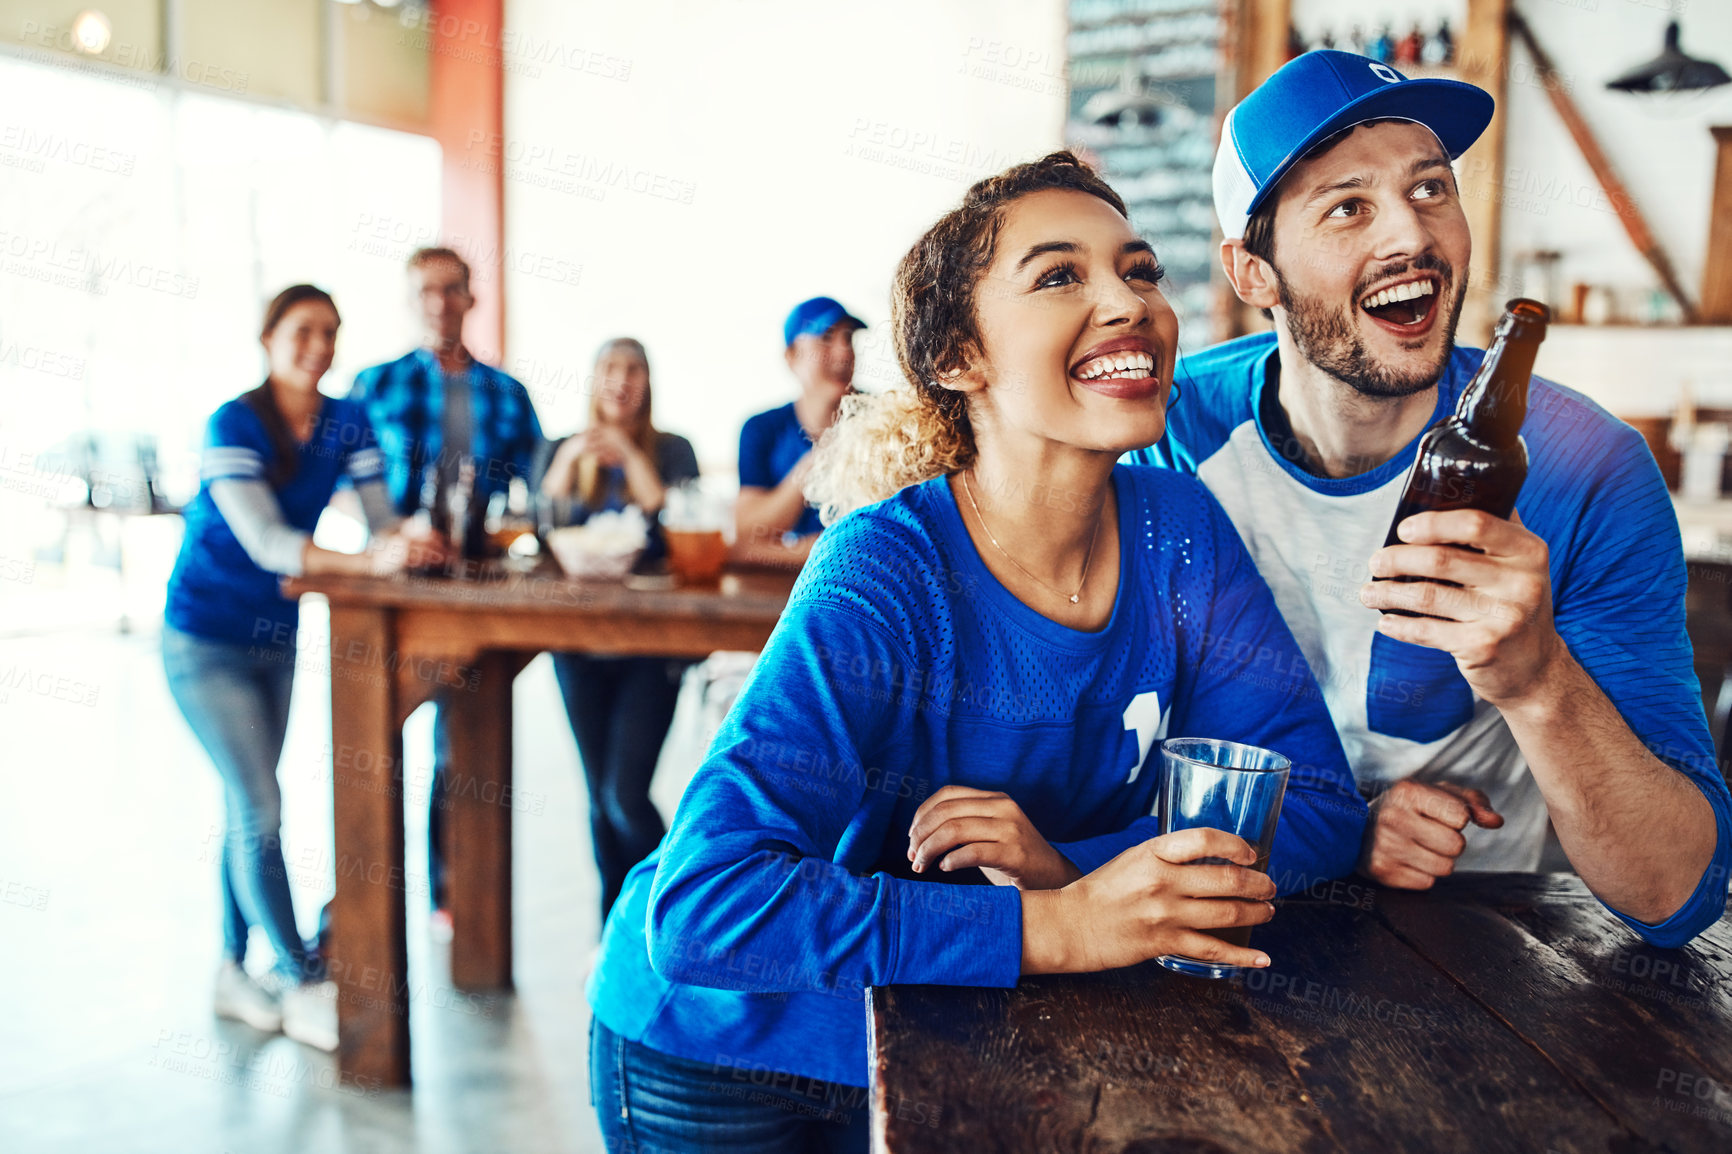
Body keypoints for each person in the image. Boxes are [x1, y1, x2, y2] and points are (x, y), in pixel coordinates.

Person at [584, 152, 1368, 1154]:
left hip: (963, 1027)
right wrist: (1054, 925)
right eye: (1058, 275)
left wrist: (1064, 869)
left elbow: (1315, 803)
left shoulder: (1179, 530)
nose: (1127, 302)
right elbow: (705, 907)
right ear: (959, 357)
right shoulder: (884, 571)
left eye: (1137, 269)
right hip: (733, 1046)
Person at [1130, 50, 1731, 945]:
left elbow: (1676, 891)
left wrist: (1537, 682)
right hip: (1217, 921)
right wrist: (1342, 830)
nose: (1409, 237)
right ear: (1253, 273)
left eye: (1430, 190)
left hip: (1479, 949)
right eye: (1348, 207)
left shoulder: (1587, 468)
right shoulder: (1166, 436)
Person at [163, 284, 440, 1049]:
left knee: (246, 807)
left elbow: (382, 519)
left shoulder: (346, 419)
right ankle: (296, 973)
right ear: (268, 337)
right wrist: (366, 558)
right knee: (262, 805)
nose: (319, 344)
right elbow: (265, 542)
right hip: (202, 639)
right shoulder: (233, 421)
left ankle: (230, 969)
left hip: (273, 639)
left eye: (331, 332)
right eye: (303, 330)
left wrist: (411, 538)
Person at [349, 246, 544, 929]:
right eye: (426, 291)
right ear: (411, 301)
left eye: (452, 289)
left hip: (473, 590)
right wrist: (390, 533)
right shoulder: (373, 386)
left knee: (459, 749)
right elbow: (344, 483)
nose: (440, 302)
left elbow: (539, 487)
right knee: (373, 744)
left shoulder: (507, 394)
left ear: (471, 298)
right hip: (393, 588)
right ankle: (359, 910)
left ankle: (449, 891)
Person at [535, 338, 699, 921]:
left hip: (653, 646)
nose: (621, 380)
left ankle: (670, 910)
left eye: (633, 369)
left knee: (623, 794)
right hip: (577, 645)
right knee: (598, 800)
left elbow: (680, 521)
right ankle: (614, 927)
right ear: (592, 379)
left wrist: (631, 456)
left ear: (648, 383)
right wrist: (567, 460)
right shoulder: (560, 447)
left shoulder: (674, 450)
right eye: (609, 367)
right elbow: (538, 525)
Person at [733, 296, 864, 567]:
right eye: (826, 337)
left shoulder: (885, 423)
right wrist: (815, 461)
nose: (844, 352)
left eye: (848, 338)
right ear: (791, 356)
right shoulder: (761, 429)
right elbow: (744, 542)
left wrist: (794, 551)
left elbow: (877, 546)